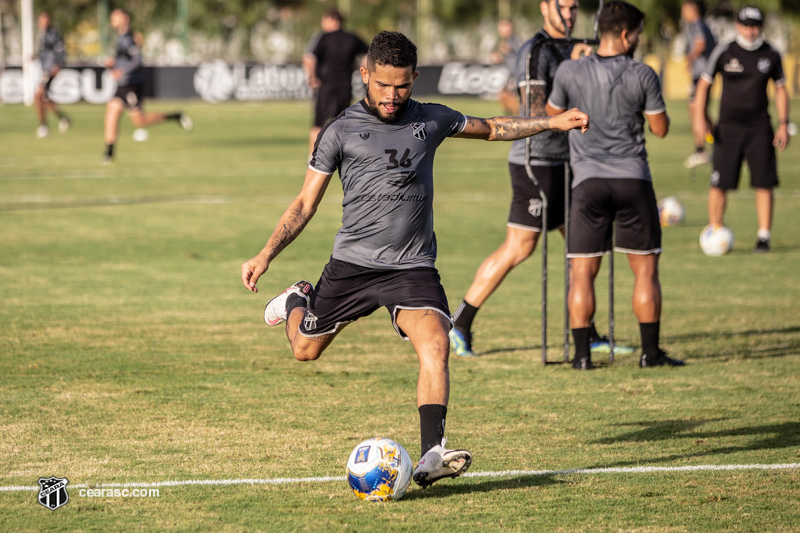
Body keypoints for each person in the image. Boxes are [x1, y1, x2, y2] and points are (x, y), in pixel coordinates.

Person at [241, 32, 588, 487]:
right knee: (305, 350)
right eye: (382, 85)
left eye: (401, 86)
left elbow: (493, 127)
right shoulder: (340, 130)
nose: (391, 95)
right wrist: (266, 254)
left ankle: (433, 454)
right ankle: (297, 300)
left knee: (437, 342)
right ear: (365, 74)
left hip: (411, 266)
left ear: (415, 79)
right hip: (353, 265)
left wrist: (551, 123)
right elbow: (305, 204)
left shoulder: (432, 120)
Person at [450, 0, 627, 358]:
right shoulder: (538, 50)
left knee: (585, 247)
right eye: (563, 5)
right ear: (545, 7)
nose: (571, 12)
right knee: (521, 246)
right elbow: (534, 111)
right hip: (536, 160)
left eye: (576, 6)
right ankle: (460, 323)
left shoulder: (578, 48)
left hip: (573, 161)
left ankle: (585, 331)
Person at [546, 1, 684, 370]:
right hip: (633, 179)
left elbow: (551, 115)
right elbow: (660, 128)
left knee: (582, 272)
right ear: (625, 35)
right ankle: (650, 354)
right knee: (645, 271)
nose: (638, 39)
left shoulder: (569, 70)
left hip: (587, 182)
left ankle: (580, 357)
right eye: (637, 34)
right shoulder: (643, 73)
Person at [693, 6, 790, 253]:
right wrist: (700, 118)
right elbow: (704, 85)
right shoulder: (724, 52)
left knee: (764, 182)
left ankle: (764, 237)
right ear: (737, 25)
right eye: (746, 25)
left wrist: (783, 124)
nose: (750, 30)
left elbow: (780, 89)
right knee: (719, 183)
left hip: (760, 128)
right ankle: (715, 228)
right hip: (727, 129)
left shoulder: (771, 53)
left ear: (760, 26)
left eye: (755, 25)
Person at [102, 8, 192, 165]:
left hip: (132, 85)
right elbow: (123, 59)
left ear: (125, 18)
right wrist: (113, 64)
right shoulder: (120, 37)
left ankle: (174, 116)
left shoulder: (129, 38)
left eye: (116, 17)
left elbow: (137, 61)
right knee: (110, 117)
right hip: (122, 85)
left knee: (140, 122)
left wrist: (121, 70)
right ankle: (109, 153)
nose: (113, 19)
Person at [302, 9, 369, 157]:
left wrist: (312, 78)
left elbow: (309, 59)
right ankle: (342, 154)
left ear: (332, 20)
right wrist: (361, 68)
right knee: (343, 122)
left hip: (326, 85)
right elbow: (370, 54)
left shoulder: (323, 37)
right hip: (345, 85)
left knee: (318, 122)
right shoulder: (352, 38)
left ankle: (313, 156)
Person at [681, 0, 717, 169]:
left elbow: (700, 44)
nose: (683, 13)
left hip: (700, 75)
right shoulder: (705, 25)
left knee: (697, 111)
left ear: (692, 10)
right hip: (705, 75)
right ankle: (717, 141)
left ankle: (700, 150)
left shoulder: (696, 25)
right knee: (701, 111)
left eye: (685, 10)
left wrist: (690, 59)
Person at [33, 12, 70, 138]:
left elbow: (61, 51)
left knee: (38, 96)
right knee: (43, 98)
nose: (44, 23)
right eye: (41, 20)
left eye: (46, 20)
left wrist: (58, 65)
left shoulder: (53, 34)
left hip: (49, 70)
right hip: (44, 69)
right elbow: (45, 52)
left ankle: (43, 126)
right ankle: (63, 118)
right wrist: (35, 56)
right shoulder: (41, 34)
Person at [491, 19, 522, 115]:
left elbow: (519, 52)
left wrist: (507, 49)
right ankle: (511, 116)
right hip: (510, 74)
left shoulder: (514, 40)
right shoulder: (501, 41)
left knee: (508, 96)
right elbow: (495, 56)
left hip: (516, 73)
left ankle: (517, 117)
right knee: (503, 95)